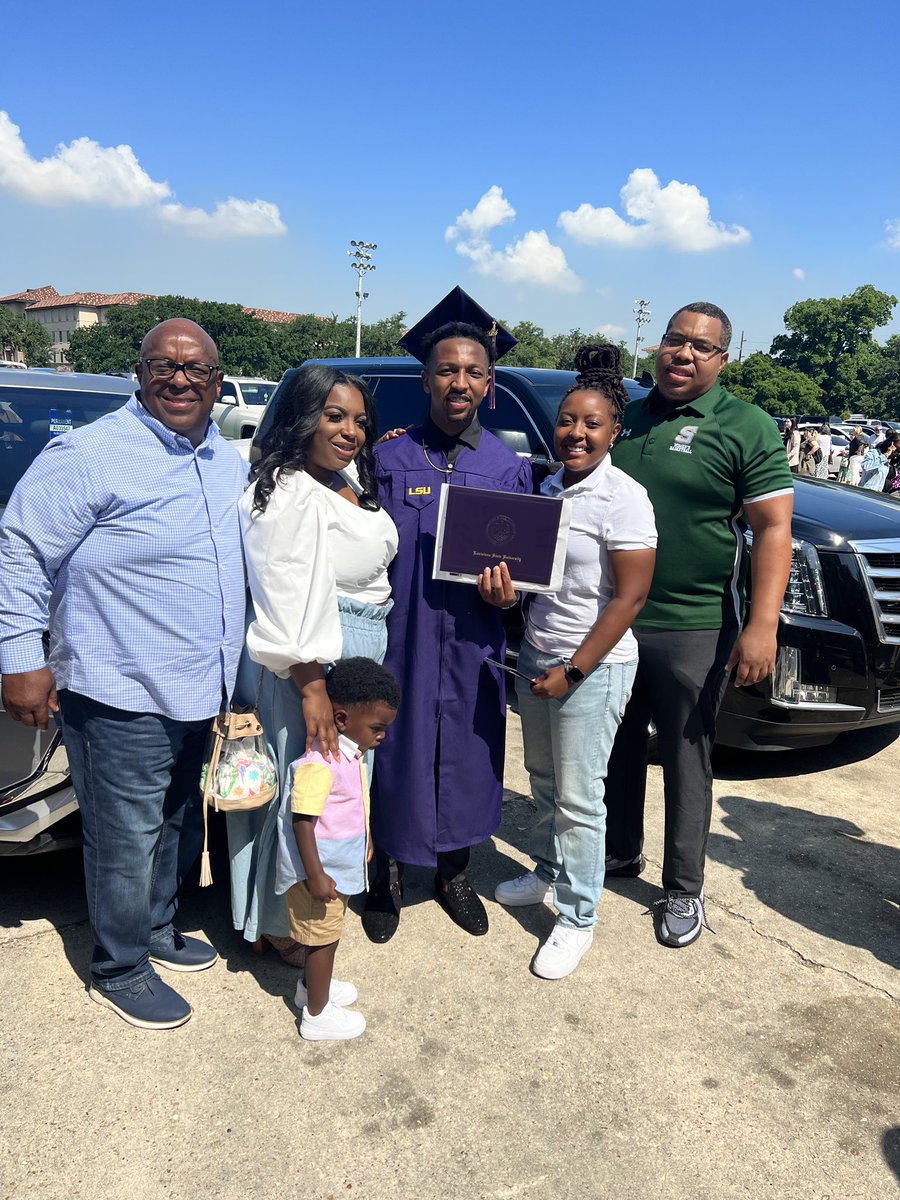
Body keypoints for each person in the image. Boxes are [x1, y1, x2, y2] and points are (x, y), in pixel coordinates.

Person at [0, 319, 247, 1029]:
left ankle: (159, 929)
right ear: (139, 372)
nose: (180, 380)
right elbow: (20, 554)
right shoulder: (88, 454)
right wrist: (22, 661)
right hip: (119, 688)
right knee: (124, 835)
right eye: (163, 366)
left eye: (196, 369)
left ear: (216, 380)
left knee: (174, 821)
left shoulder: (224, 460)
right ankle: (120, 966)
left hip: (198, 687)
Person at [605, 301, 794, 947]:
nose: (683, 354)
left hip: (691, 626)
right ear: (659, 346)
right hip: (613, 621)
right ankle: (618, 851)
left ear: (722, 358)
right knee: (618, 742)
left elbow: (773, 530)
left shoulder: (746, 425)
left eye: (700, 346)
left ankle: (683, 888)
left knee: (687, 758)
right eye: (674, 341)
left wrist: (762, 625)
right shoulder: (626, 417)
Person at [363, 288, 532, 942]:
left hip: (471, 640)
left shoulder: (508, 468)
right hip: (397, 639)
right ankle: (386, 876)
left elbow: (527, 577)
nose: (459, 381)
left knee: (465, 753)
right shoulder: (387, 459)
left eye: (472, 371)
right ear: (426, 378)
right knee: (391, 750)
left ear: (488, 384)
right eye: (446, 370)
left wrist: (509, 598)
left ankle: (453, 871)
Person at [494, 346, 657, 979]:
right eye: (567, 421)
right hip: (537, 650)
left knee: (583, 797)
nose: (576, 433)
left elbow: (631, 597)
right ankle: (548, 871)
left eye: (591, 424)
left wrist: (577, 670)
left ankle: (579, 916)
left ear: (614, 432)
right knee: (542, 777)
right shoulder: (548, 486)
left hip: (594, 663)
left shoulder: (625, 498)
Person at [229, 364, 398, 965]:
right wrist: (312, 688)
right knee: (307, 794)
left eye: (359, 419)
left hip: (359, 648)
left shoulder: (344, 477)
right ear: (302, 418)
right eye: (334, 416)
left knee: (342, 794)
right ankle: (282, 925)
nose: (351, 430)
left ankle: (320, 912)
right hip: (315, 660)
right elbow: (282, 594)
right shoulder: (284, 491)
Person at [278, 657, 400, 1041]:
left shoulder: (350, 755)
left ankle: (309, 991)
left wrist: (367, 841)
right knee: (322, 940)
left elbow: (352, 807)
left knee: (325, 937)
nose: (382, 736)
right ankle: (317, 1015)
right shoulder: (320, 763)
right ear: (343, 719)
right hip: (319, 874)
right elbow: (302, 820)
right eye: (377, 728)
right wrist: (314, 875)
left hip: (335, 868)